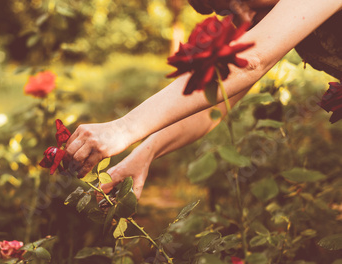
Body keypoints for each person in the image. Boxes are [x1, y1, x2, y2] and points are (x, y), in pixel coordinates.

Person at [64, 0, 342, 199]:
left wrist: (124, 128)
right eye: (225, 10)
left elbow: (250, 62)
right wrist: (145, 152)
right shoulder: (260, 12)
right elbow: (213, 103)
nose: (241, 12)